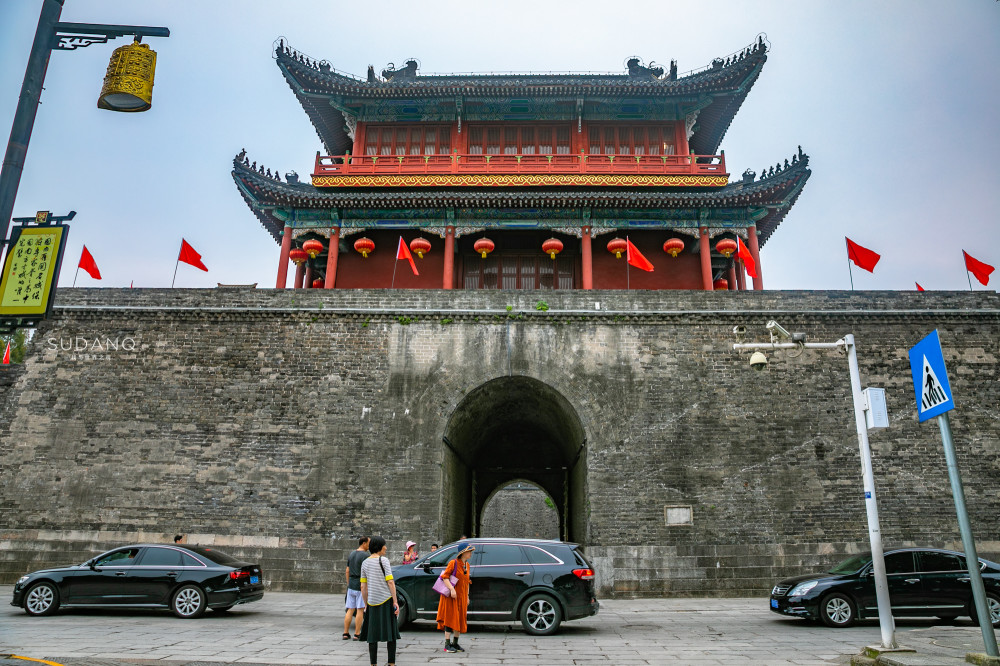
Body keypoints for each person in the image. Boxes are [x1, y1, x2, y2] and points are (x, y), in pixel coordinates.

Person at [359, 536, 400, 666]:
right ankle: (391, 663)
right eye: (384, 545)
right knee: (391, 634)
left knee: (372, 635)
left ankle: (373, 664)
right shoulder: (384, 560)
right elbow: (390, 582)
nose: (386, 547)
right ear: (379, 547)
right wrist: (395, 601)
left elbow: (363, 586)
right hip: (386, 601)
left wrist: (366, 604)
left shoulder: (365, 563)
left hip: (372, 601)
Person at [436, 542, 474, 653]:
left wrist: (467, 596)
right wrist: (452, 590)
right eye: (469, 551)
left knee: (460, 619)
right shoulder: (454, 563)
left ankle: (455, 643)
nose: (471, 553)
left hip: (461, 597)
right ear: (463, 553)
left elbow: (466, 583)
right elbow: (445, 577)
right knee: (450, 618)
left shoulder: (467, 565)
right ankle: (447, 644)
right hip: (451, 597)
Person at [344, 536, 369, 640]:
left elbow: (347, 570)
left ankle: (345, 633)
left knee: (350, 609)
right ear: (363, 543)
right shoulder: (365, 556)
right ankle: (357, 633)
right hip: (360, 584)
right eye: (368, 543)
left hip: (351, 585)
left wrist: (349, 583)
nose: (369, 545)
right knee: (360, 610)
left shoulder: (352, 554)